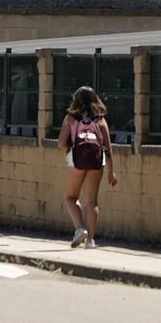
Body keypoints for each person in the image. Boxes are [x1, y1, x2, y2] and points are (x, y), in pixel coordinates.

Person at [57, 86, 118, 248]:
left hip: (77, 161)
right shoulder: (100, 119)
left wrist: (72, 145)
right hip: (97, 162)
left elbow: (61, 143)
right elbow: (107, 147)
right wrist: (111, 171)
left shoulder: (71, 118)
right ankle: (90, 240)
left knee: (71, 197)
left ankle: (79, 229)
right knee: (92, 201)